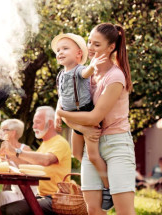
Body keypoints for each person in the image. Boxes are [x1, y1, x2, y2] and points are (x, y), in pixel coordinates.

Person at [57, 23, 136, 214]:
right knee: (93, 209)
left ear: (111, 48)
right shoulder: (85, 74)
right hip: (90, 143)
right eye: (89, 42)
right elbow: (67, 103)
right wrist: (81, 128)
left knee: (124, 210)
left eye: (97, 44)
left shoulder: (115, 77)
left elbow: (94, 117)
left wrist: (61, 114)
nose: (91, 47)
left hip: (116, 145)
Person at [51, 33, 111, 208]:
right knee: (76, 153)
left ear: (78, 54)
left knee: (92, 155)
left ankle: (109, 188)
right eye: (58, 50)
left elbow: (86, 73)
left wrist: (92, 66)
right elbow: (60, 98)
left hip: (84, 114)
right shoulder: (61, 75)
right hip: (71, 117)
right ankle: (97, 179)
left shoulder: (79, 69)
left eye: (65, 49)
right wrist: (57, 114)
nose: (60, 52)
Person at [0, 106, 71, 215]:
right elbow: (28, 165)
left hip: (56, 198)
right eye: (33, 123)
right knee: (1, 206)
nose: (33, 126)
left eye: (37, 122)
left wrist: (15, 151)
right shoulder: (44, 145)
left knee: (13, 210)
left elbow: (46, 160)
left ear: (50, 123)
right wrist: (8, 156)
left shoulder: (60, 143)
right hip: (41, 196)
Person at [0, 119, 34, 206]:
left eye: (4, 130)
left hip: (27, 193)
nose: (0, 132)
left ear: (13, 133)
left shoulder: (25, 149)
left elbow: (23, 167)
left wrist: (9, 153)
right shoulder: (2, 149)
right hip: (14, 191)